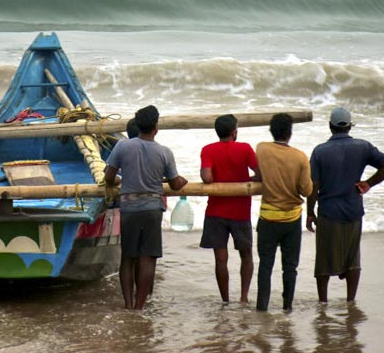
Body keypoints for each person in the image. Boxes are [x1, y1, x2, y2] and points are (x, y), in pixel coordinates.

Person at [306, 107, 384, 303]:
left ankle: (323, 302)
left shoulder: (320, 151)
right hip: (353, 209)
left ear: (330, 127)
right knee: (352, 258)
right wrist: (368, 183)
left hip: (328, 212)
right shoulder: (363, 147)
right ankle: (350, 300)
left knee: (324, 260)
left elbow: (314, 185)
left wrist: (310, 212)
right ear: (349, 127)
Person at [104, 105, 187, 310]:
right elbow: (175, 183)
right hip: (152, 209)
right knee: (148, 258)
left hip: (129, 207)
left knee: (128, 258)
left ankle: (128, 304)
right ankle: (140, 306)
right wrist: (182, 181)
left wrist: (118, 182)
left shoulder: (123, 146)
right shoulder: (164, 152)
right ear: (156, 127)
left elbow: (108, 177)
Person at [199, 114, 260, 303]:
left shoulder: (208, 149)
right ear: (234, 132)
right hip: (240, 211)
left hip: (216, 210)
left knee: (220, 259)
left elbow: (207, 178)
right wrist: (246, 181)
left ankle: (225, 299)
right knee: (246, 254)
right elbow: (261, 174)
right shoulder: (245, 148)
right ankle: (243, 297)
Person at [255, 113, 312, 312]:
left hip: (268, 217)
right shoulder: (300, 157)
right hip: (292, 219)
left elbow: (260, 174)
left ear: (271, 131)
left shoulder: (261, 149)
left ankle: (261, 307)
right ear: (290, 133)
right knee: (290, 267)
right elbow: (306, 190)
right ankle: (287, 306)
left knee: (265, 265)